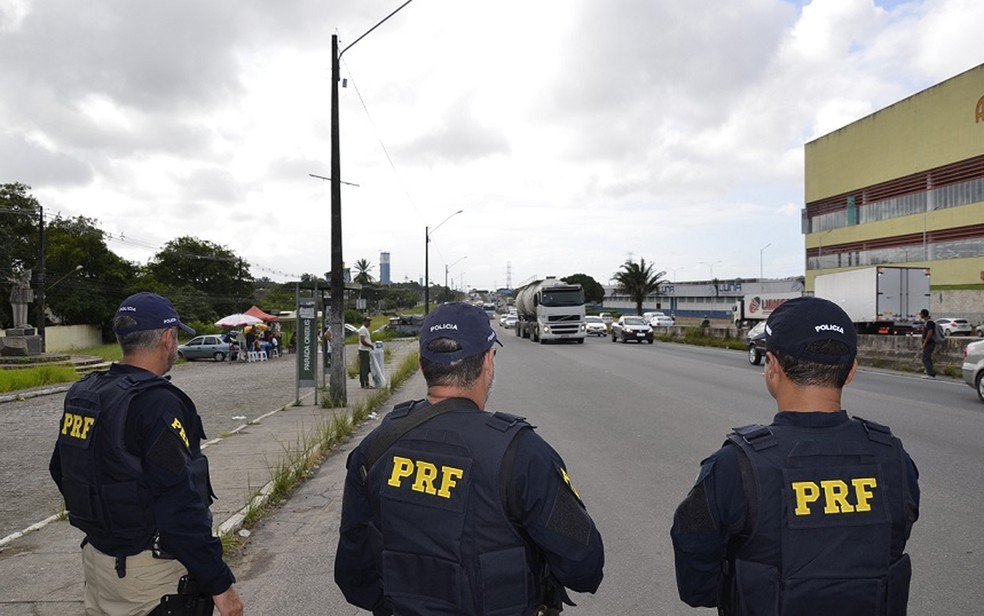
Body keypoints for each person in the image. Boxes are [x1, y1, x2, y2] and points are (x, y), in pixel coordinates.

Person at [335, 302, 605, 615]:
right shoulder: (522, 453)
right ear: (488, 362)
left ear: (423, 365)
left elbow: (353, 572)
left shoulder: (376, 446)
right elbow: (584, 565)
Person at [671, 296, 919, 615]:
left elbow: (695, 570)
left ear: (772, 366)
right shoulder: (894, 458)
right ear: (852, 370)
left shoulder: (734, 465)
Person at [49, 292, 244, 616]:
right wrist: (220, 584)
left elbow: (62, 469)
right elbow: (180, 503)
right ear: (168, 337)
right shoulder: (158, 403)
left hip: (98, 568)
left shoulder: (86, 392)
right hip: (148, 581)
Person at [918, 308, 937, 379]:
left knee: (925, 358)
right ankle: (930, 372)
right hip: (929, 343)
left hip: (930, 343)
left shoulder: (929, 322)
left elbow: (930, 333)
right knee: (927, 358)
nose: (920, 315)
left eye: (921, 314)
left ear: (923, 314)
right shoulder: (927, 322)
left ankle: (930, 374)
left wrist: (925, 343)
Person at [357, 316, 373, 388]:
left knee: (363, 367)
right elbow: (362, 340)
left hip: (365, 350)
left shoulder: (366, 329)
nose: (369, 323)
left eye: (369, 321)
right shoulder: (363, 329)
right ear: (364, 322)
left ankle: (363, 383)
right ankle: (366, 383)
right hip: (364, 350)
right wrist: (370, 345)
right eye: (367, 321)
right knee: (365, 367)